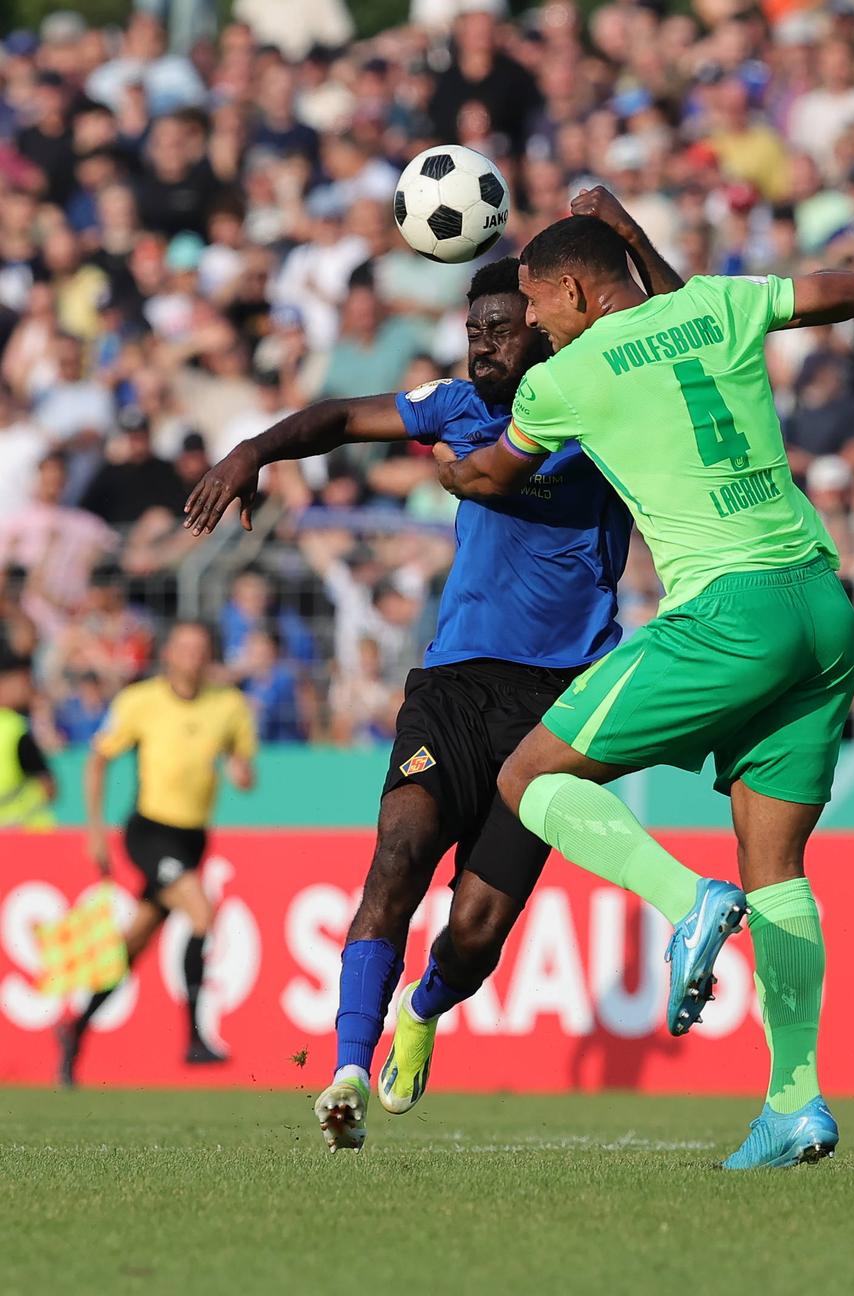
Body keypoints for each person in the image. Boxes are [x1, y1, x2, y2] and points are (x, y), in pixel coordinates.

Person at [183, 193, 678, 1153]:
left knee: (478, 934)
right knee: (397, 856)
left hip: (558, 700)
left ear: (545, 329)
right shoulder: (453, 405)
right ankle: (345, 1073)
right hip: (452, 684)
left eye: (500, 330)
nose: (484, 346)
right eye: (473, 331)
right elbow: (336, 417)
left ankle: (425, 1004)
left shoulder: (599, 403)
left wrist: (628, 242)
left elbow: (667, 332)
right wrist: (253, 450)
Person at [433, 215, 854, 1171]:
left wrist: (451, 470)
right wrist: (636, 231)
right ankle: (794, 1103)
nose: (540, 327)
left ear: (583, 294)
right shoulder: (714, 303)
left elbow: (496, 473)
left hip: (728, 614)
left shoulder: (567, 375)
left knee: (531, 778)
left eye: (545, 307)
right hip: (823, 610)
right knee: (781, 872)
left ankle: (684, 901)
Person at [56, 622, 257, 1085]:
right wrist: (93, 831)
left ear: (209, 656)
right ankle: (194, 1038)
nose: (190, 656)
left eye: (199, 648)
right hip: (149, 832)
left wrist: (241, 771)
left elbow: (243, 767)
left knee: (135, 943)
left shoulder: (227, 706)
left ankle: (74, 1031)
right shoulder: (140, 701)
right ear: (169, 653)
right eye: (183, 647)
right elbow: (97, 757)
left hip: (191, 839)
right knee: (202, 913)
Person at [0, 653, 55, 829]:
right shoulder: (14, 728)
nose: (27, 689)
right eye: (23, 682)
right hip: (23, 833)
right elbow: (49, 788)